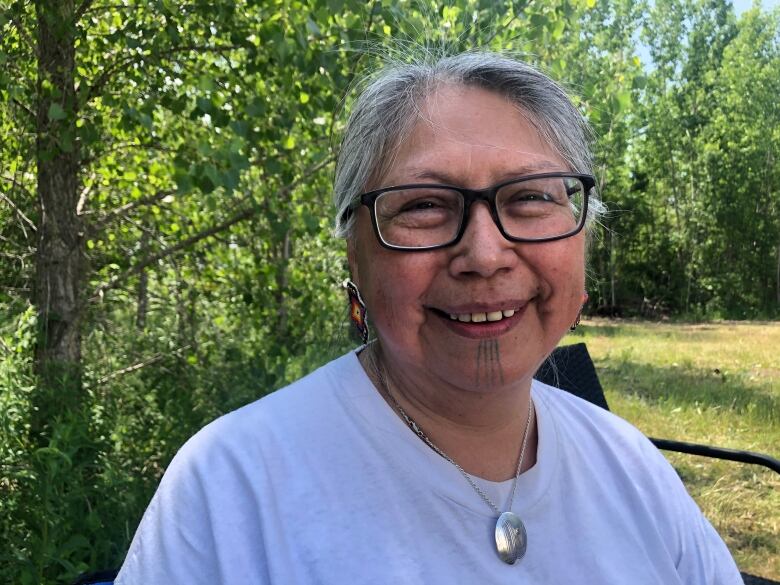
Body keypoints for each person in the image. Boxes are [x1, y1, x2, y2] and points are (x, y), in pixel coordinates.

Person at [115, 51, 742, 584]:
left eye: (529, 197)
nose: (484, 254)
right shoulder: (230, 490)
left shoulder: (631, 467)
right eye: (423, 206)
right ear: (354, 251)